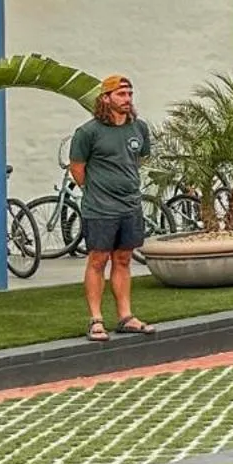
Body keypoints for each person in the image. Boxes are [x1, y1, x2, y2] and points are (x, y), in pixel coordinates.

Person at [71, 74, 156, 342]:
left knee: (123, 259)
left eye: (129, 94)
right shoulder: (88, 132)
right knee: (98, 260)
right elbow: (77, 169)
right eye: (121, 94)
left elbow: (137, 160)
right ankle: (96, 320)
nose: (127, 99)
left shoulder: (139, 129)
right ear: (105, 98)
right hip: (100, 209)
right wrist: (98, 191)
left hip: (130, 206)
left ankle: (126, 317)